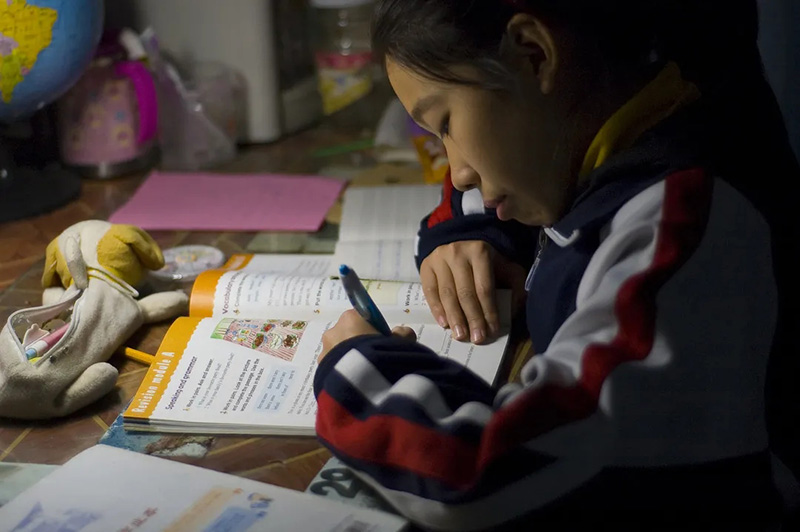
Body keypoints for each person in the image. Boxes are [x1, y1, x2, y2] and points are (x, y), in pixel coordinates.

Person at [313, 0, 800, 529]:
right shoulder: (612, 142)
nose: (458, 173)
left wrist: (357, 373)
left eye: (446, 123)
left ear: (533, 55)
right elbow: (512, 172)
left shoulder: (681, 234)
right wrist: (479, 230)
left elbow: (486, 477)